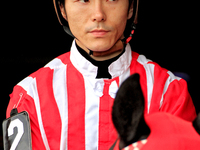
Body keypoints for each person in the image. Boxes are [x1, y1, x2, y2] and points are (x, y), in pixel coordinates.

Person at [6, 0, 196, 149]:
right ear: (62, 9)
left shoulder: (169, 90)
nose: (98, 14)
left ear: (131, 8)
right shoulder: (29, 96)